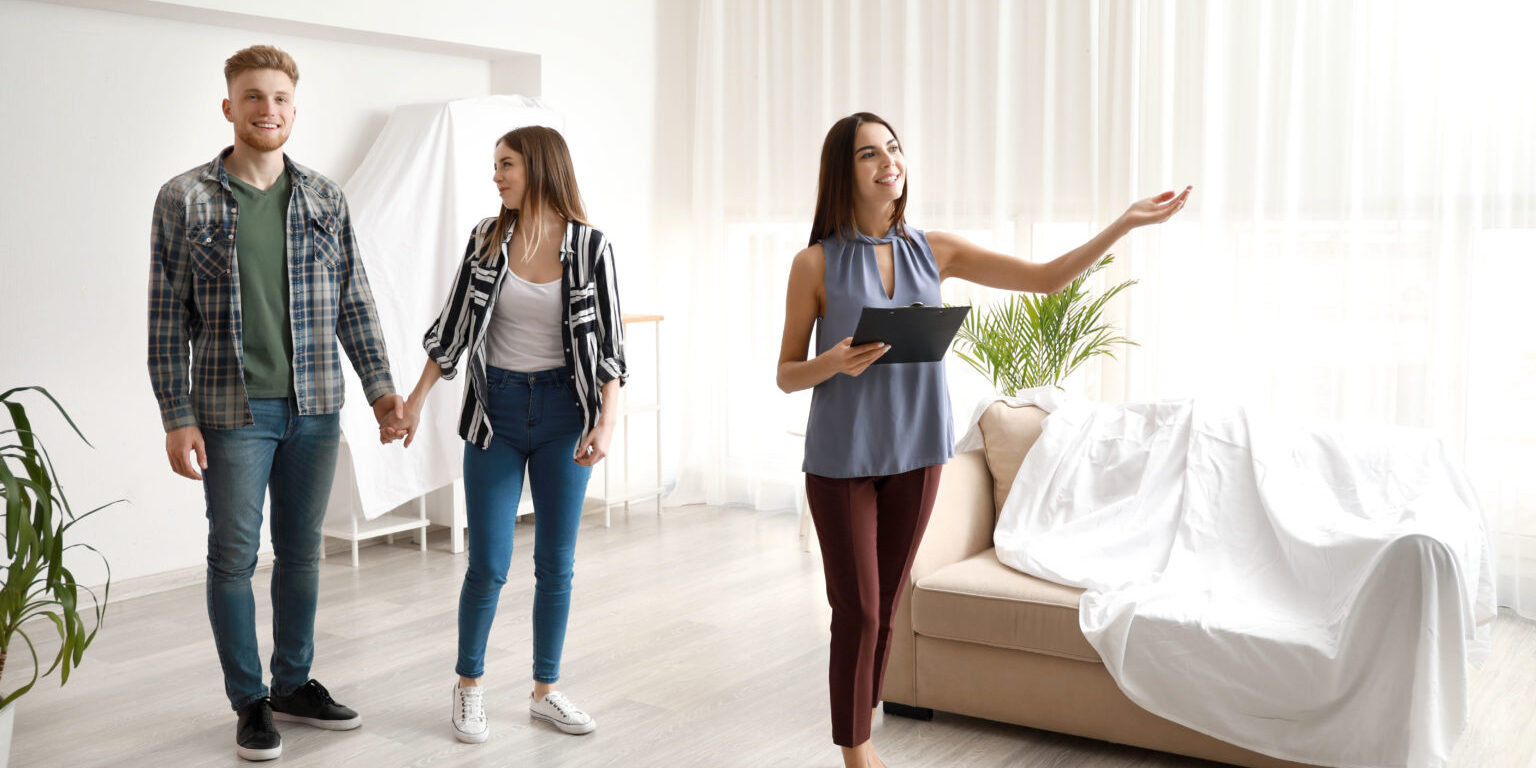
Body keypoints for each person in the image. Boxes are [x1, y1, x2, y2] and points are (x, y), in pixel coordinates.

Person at [776, 111, 1190, 768]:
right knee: (854, 606)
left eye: (894, 147)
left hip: (918, 453)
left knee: (885, 605)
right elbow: (786, 374)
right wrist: (836, 361)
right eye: (868, 154)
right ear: (843, 173)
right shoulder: (814, 264)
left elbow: (1047, 277)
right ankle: (855, 751)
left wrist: (1124, 222)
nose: (889, 161)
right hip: (841, 459)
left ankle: (864, 728)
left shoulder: (934, 251)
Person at [148, 45, 406, 761]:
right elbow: (167, 316)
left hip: (318, 406)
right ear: (229, 107)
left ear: (295, 108)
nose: (269, 109)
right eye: (254, 97)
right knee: (233, 559)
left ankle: (293, 683)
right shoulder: (185, 197)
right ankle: (250, 701)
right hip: (232, 412)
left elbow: (354, 299)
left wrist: (381, 389)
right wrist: (176, 415)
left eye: (281, 98)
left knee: (301, 555)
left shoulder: (325, 196)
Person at [386, 125, 626, 744]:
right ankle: (468, 687)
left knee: (556, 564)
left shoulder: (591, 248)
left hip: (564, 417)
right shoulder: (487, 241)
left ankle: (546, 690)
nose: (497, 176)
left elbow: (612, 352)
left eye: (507, 164)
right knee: (488, 564)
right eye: (495, 165)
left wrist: (606, 421)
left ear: (541, 167)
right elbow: (453, 331)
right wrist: (412, 403)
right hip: (494, 416)